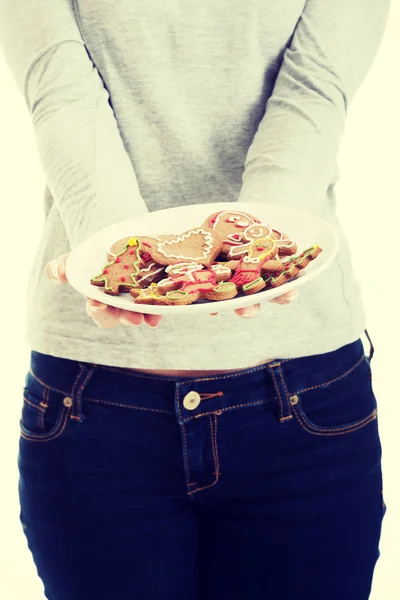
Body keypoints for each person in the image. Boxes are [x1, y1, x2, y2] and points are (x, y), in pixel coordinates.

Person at [0, 1, 390, 598]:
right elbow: (58, 81)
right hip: (93, 400)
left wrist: (255, 245)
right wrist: (124, 261)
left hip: (304, 400)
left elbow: (316, 84)